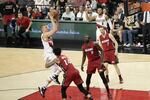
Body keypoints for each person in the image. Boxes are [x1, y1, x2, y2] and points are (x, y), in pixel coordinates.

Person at [38, 10, 62, 97]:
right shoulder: (44, 35)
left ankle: (43, 87)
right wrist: (52, 18)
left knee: (53, 74)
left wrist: (57, 19)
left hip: (51, 55)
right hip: (48, 56)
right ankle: (54, 76)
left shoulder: (49, 35)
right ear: (42, 30)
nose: (47, 28)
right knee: (61, 67)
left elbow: (56, 29)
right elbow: (54, 29)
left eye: (46, 27)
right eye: (45, 27)